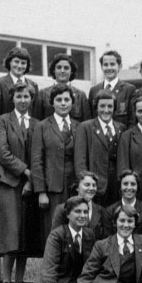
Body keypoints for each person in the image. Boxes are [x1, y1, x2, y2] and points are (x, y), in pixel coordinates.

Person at [0, 82, 43, 283]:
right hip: (9, 182)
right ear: (12, 98)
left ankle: (19, 280)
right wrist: (26, 172)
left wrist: (32, 181)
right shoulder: (2, 121)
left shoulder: (37, 124)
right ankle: (6, 281)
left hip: (30, 185)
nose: (23, 100)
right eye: (19, 96)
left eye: (27, 96)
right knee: (10, 231)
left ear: (32, 99)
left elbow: (39, 154)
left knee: (25, 232)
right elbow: (2, 153)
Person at [26, 196, 95, 283]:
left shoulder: (89, 235)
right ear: (68, 214)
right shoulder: (57, 235)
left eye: (85, 212)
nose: (82, 215)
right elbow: (49, 269)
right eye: (78, 211)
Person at [31, 83, 79, 239]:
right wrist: (41, 192)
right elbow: (37, 161)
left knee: (75, 227)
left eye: (67, 99)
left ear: (72, 102)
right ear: (52, 103)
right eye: (59, 100)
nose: (63, 103)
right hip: (52, 188)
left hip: (74, 187)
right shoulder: (42, 126)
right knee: (54, 229)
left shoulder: (79, 126)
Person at [74, 91, 124, 206]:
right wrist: (85, 185)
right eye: (102, 106)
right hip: (95, 185)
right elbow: (80, 160)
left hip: (115, 185)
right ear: (96, 107)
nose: (106, 110)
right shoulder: (85, 127)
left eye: (110, 106)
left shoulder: (121, 128)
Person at [51, 171, 111, 242]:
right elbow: (55, 239)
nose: (91, 188)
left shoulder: (101, 211)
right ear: (77, 188)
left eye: (94, 185)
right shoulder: (62, 209)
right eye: (87, 185)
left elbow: (106, 241)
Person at [88, 50, 137, 128]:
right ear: (101, 67)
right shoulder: (94, 90)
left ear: (119, 66)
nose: (109, 68)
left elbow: (132, 120)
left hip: (122, 134)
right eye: (105, 65)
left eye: (112, 64)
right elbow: (90, 118)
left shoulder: (129, 90)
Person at [36, 53, 91, 122]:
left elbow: (87, 124)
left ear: (71, 71)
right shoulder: (43, 94)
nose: (62, 71)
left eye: (66, 68)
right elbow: (37, 122)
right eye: (59, 67)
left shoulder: (80, 96)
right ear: (54, 70)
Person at [106, 170, 142, 240]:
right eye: (125, 184)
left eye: (133, 184)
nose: (129, 187)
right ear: (120, 187)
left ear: (137, 187)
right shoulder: (110, 211)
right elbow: (108, 240)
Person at [0, 47, 41, 117]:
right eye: (16, 62)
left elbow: (36, 113)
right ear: (9, 62)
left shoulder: (33, 85)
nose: (19, 66)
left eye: (23, 63)